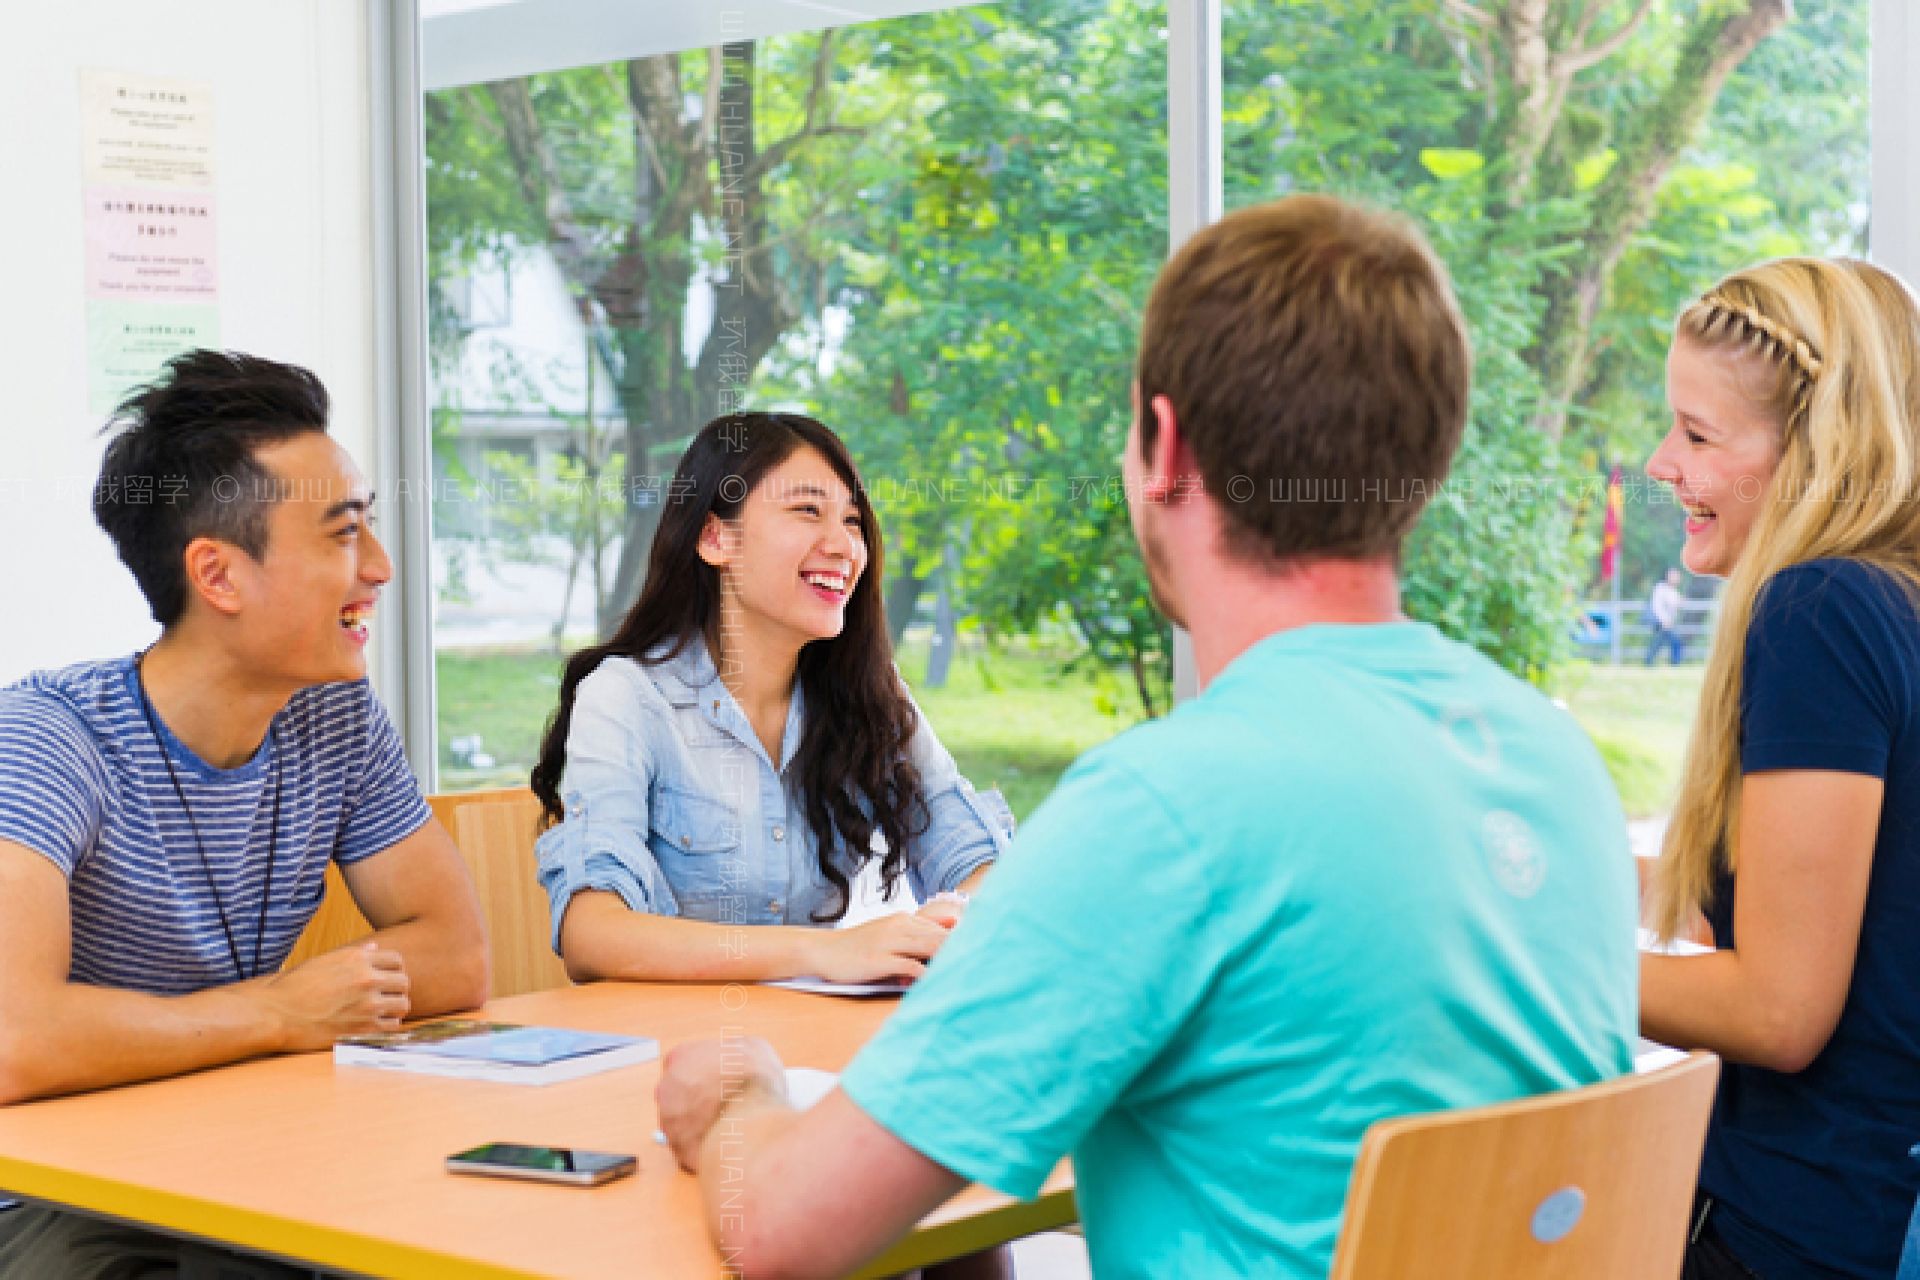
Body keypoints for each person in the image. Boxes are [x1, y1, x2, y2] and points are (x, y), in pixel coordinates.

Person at [652, 194, 1639, 1279]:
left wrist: (738, 1098)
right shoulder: (1558, 765)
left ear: (1163, 444)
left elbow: (782, 1233)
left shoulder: (1168, 811)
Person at [0, 351, 489, 1275]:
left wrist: (277, 1017)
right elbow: (16, 1039)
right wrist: (275, 1013)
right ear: (218, 576)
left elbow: (455, 959)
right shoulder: (47, 737)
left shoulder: (334, 714)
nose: (378, 568)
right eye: (343, 536)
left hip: (243, 1156)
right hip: (54, 1190)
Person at [1639, 257, 1920, 1279]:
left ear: (1814, 449)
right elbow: (1833, 895)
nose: (1661, 462)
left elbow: (1780, 1008)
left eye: (1699, 434)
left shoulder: (1821, 611)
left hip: (1805, 1231)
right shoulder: (1895, 601)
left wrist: (1531, 967)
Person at [529, 411, 1013, 985]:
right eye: (807, 511)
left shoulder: (869, 694)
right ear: (716, 537)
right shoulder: (626, 697)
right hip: (671, 1049)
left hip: (806, 1042)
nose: (844, 546)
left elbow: (976, 862)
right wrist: (820, 953)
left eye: (853, 521)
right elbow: (593, 934)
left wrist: (951, 922)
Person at [1645, 566, 1687, 664]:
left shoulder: (1673, 590)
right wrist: (1663, 620)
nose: (1677, 578)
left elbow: (1676, 604)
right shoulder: (1661, 588)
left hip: (1667, 622)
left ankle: (1649, 662)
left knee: (1660, 642)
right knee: (1674, 642)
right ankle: (1674, 662)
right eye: (1674, 576)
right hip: (1662, 622)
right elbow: (1656, 606)